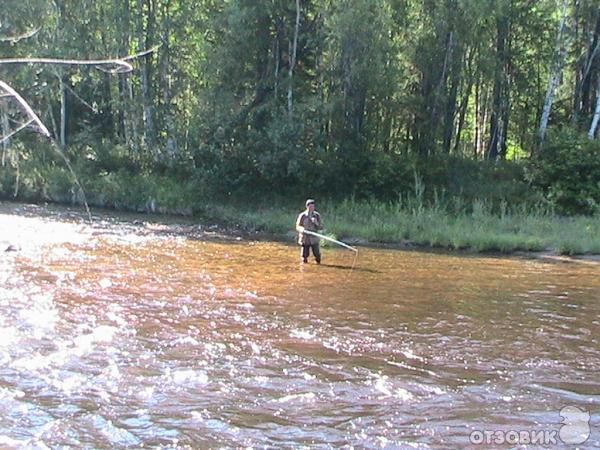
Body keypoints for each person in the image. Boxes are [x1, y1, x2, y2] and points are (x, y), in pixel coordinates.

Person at [296, 198, 324, 264]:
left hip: (314, 238)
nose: (312, 208)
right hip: (305, 238)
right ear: (307, 206)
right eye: (310, 206)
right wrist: (302, 229)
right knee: (304, 256)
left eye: (313, 206)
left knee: (317, 255)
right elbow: (297, 226)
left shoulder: (317, 215)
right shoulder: (302, 216)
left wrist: (316, 223)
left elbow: (321, 227)